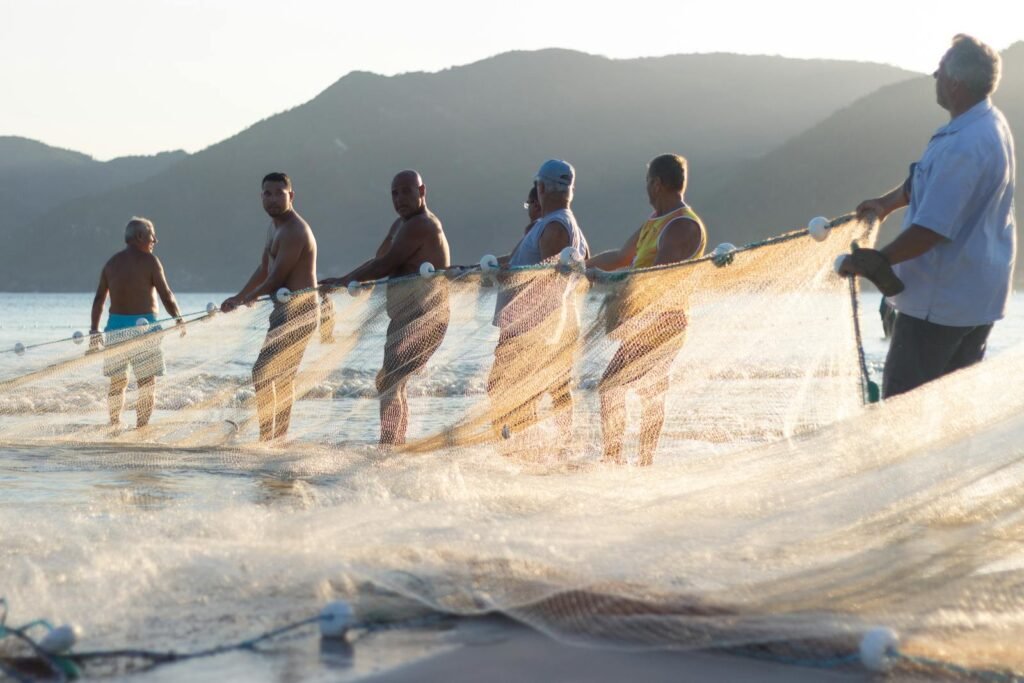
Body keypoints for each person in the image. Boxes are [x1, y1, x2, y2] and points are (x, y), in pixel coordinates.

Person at [839, 35, 1016, 398]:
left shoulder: (964, 145)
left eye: (940, 69)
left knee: (902, 411)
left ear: (955, 82)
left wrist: (880, 259)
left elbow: (932, 229)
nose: (934, 74)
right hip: (977, 301)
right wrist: (886, 203)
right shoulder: (988, 121)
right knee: (952, 413)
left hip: (940, 307)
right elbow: (927, 179)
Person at [587, 154, 707, 465]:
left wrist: (616, 287)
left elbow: (658, 275)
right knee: (631, 389)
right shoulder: (654, 223)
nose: (646, 190)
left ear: (657, 183)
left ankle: (634, 461)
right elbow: (621, 256)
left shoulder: (682, 224)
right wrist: (582, 268)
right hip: (643, 320)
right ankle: (624, 459)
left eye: (647, 183)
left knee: (624, 388)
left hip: (664, 320)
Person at [319, 170, 450, 446]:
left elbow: (385, 264)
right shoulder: (401, 224)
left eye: (406, 191)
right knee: (391, 381)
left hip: (425, 316)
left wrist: (344, 281)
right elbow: (379, 258)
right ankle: (395, 443)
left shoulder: (422, 225)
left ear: (422, 191)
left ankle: (388, 444)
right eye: (394, 193)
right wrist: (353, 278)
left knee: (389, 380)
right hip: (406, 316)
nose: (399, 198)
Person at [488, 160, 591, 447]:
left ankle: (524, 449)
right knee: (532, 390)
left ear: (541, 187)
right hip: (540, 325)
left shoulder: (555, 227)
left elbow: (549, 283)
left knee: (506, 388)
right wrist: (479, 269)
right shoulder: (562, 224)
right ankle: (540, 447)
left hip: (531, 327)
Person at [222, 172, 319, 442]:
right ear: (261, 197)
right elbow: (264, 269)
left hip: (301, 311)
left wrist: (244, 300)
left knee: (264, 372)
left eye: (279, 193)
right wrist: (240, 295)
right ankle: (274, 437)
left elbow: (276, 277)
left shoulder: (294, 231)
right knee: (277, 376)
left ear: (291, 195)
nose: (273, 199)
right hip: (282, 311)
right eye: (268, 194)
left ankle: (271, 437)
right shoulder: (273, 227)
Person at [89, 217, 185, 430]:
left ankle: (114, 425)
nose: (155, 240)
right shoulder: (150, 261)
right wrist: (178, 317)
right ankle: (141, 429)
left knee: (117, 383)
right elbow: (166, 294)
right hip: (145, 330)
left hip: (115, 328)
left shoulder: (111, 263)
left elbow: (99, 300)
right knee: (147, 383)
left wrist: (94, 330)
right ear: (140, 237)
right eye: (152, 236)